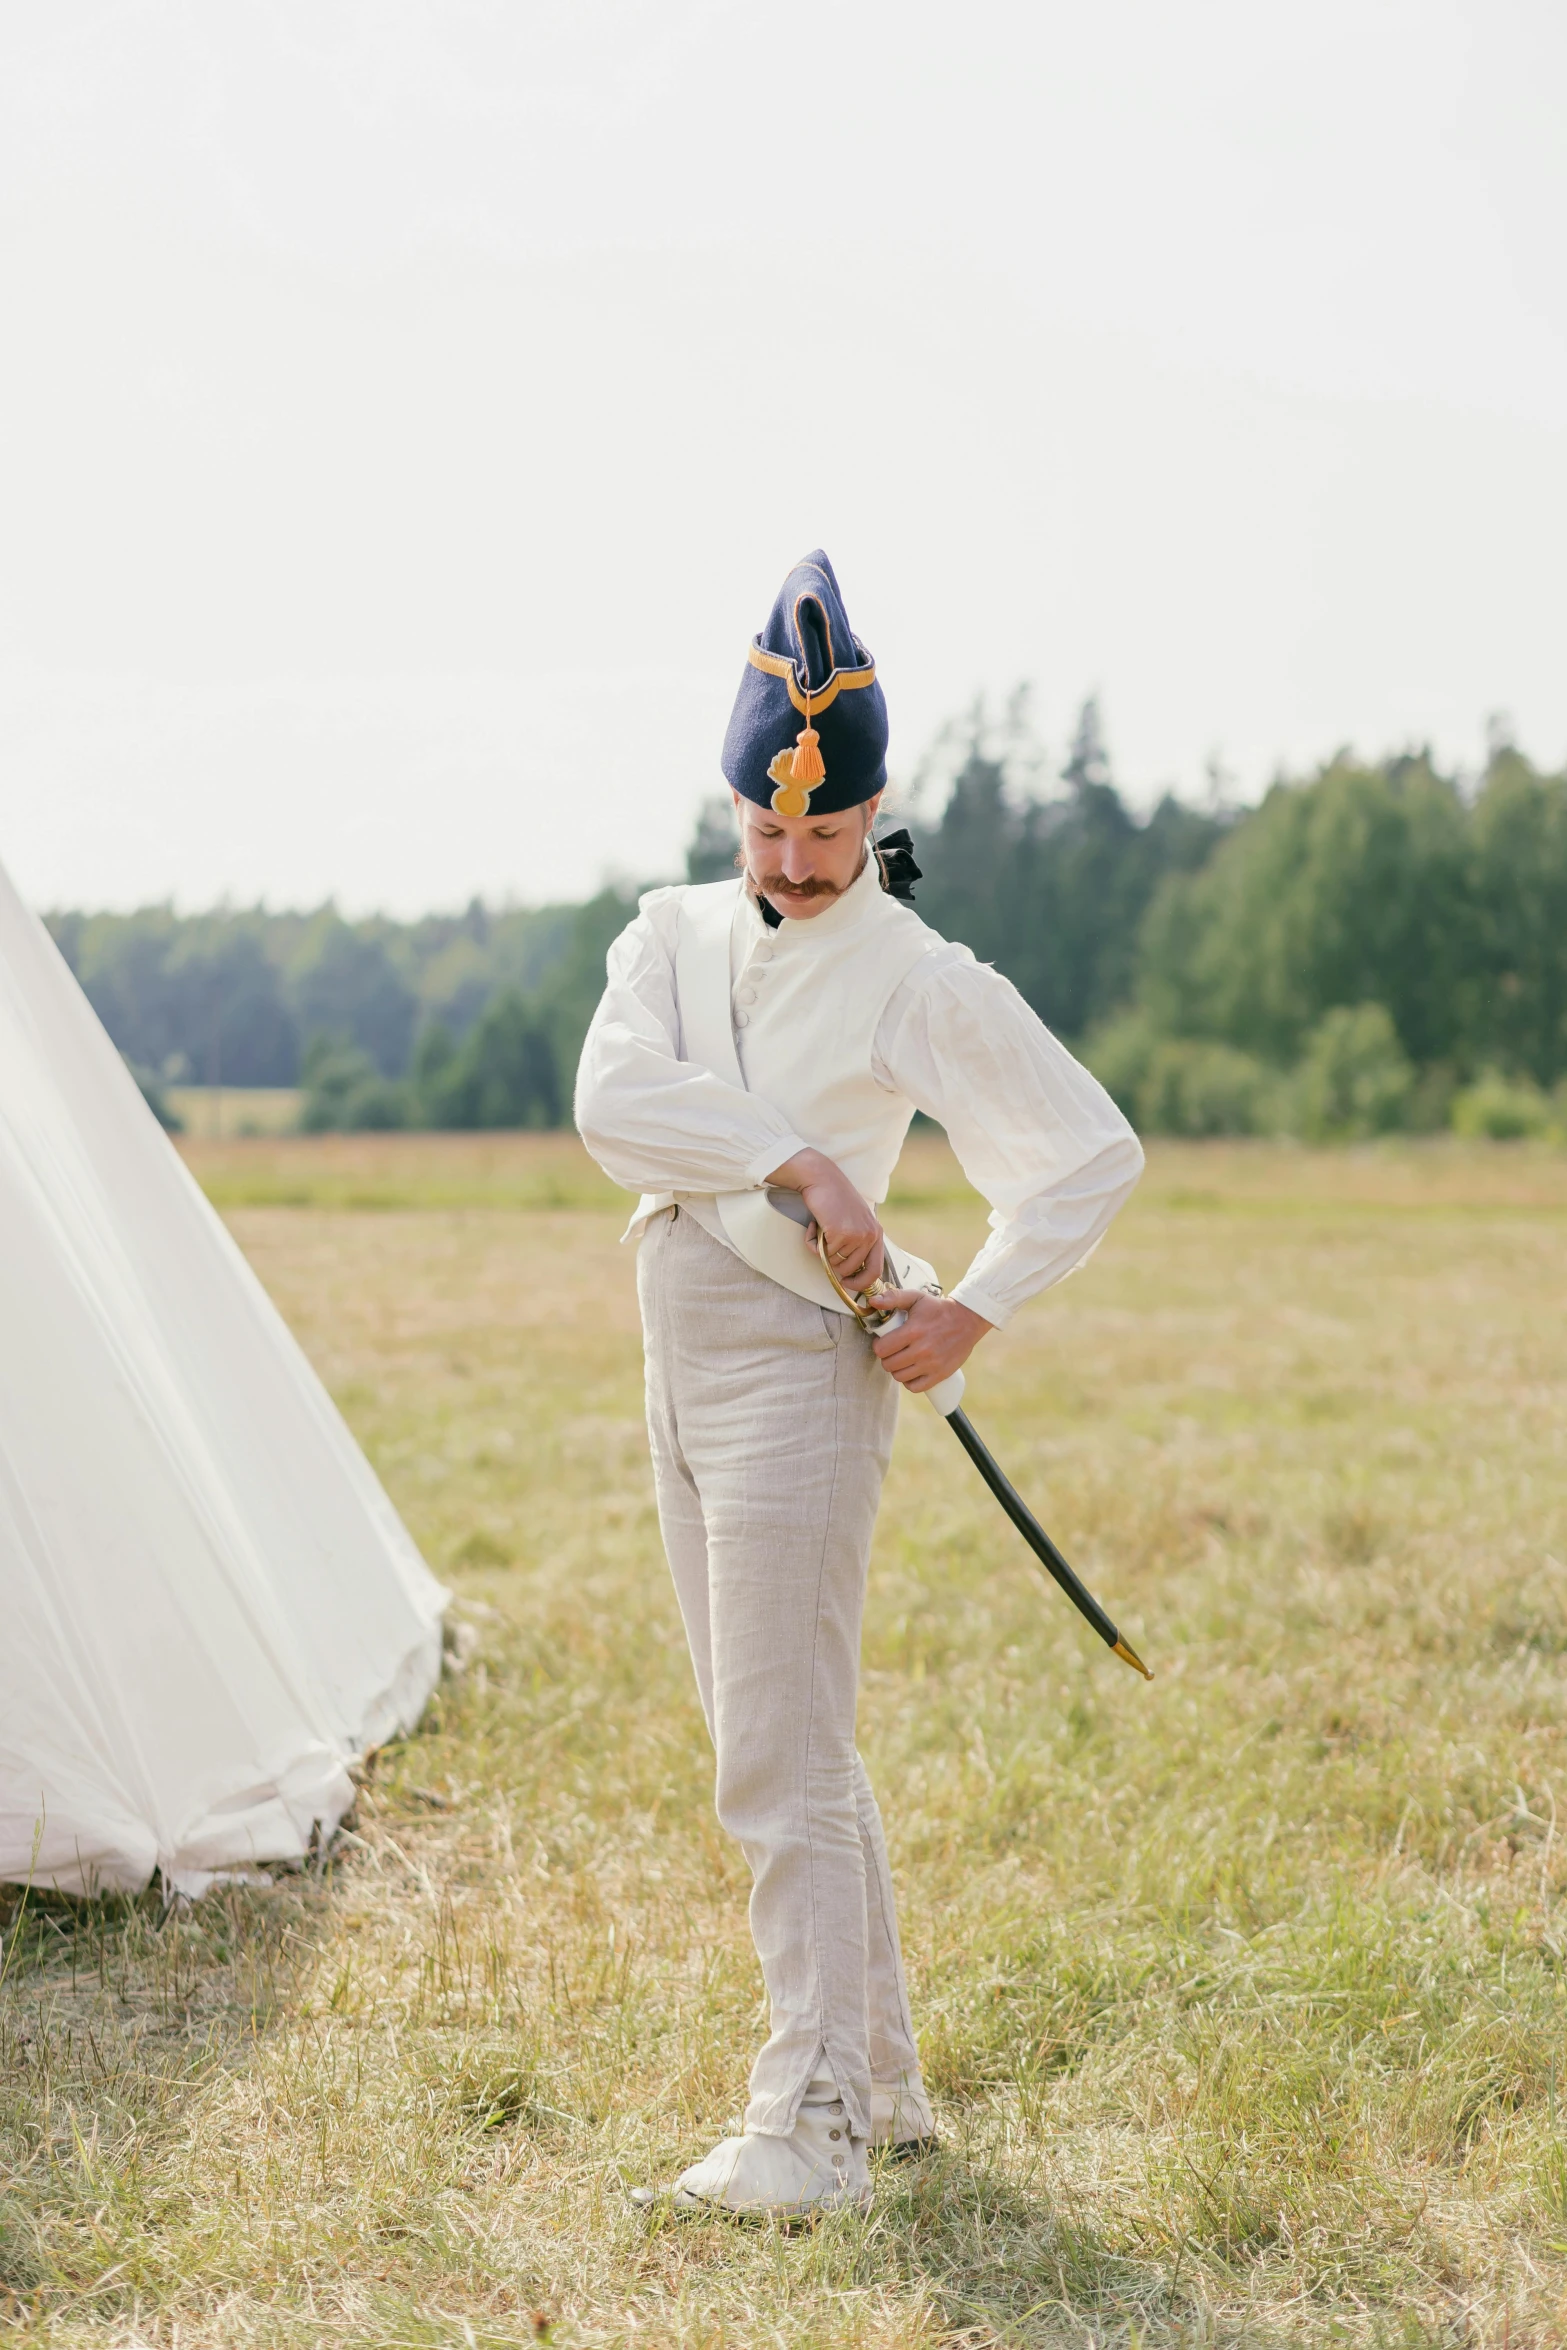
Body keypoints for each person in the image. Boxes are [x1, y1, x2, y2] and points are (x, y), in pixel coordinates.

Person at [575, 550, 1143, 2220]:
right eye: (767, 831)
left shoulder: (915, 969)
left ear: (876, 807)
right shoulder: (665, 935)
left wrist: (969, 1305)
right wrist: (807, 1163)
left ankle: (810, 2115)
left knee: (777, 1750)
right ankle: (879, 2087)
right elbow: (616, 1104)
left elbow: (1083, 1153)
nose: (796, 861)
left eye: (826, 833)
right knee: (782, 1731)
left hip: (796, 1379)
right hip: (674, 1335)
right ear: (732, 805)